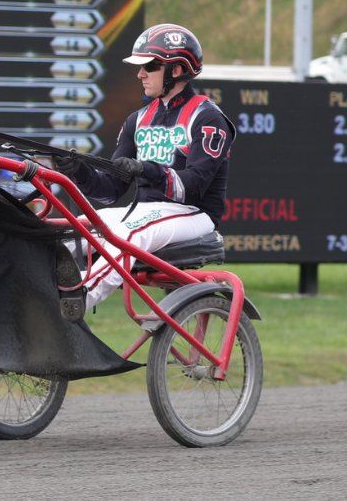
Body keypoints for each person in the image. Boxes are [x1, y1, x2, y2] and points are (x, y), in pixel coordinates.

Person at [55, 23, 234, 310]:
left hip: (194, 213)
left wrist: (146, 169)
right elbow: (111, 191)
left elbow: (194, 186)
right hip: (146, 211)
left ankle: (79, 299)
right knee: (80, 229)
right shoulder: (137, 120)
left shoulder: (207, 117)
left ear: (176, 70)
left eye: (149, 66)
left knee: (130, 232)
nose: (140, 74)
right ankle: (39, 287)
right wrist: (79, 171)